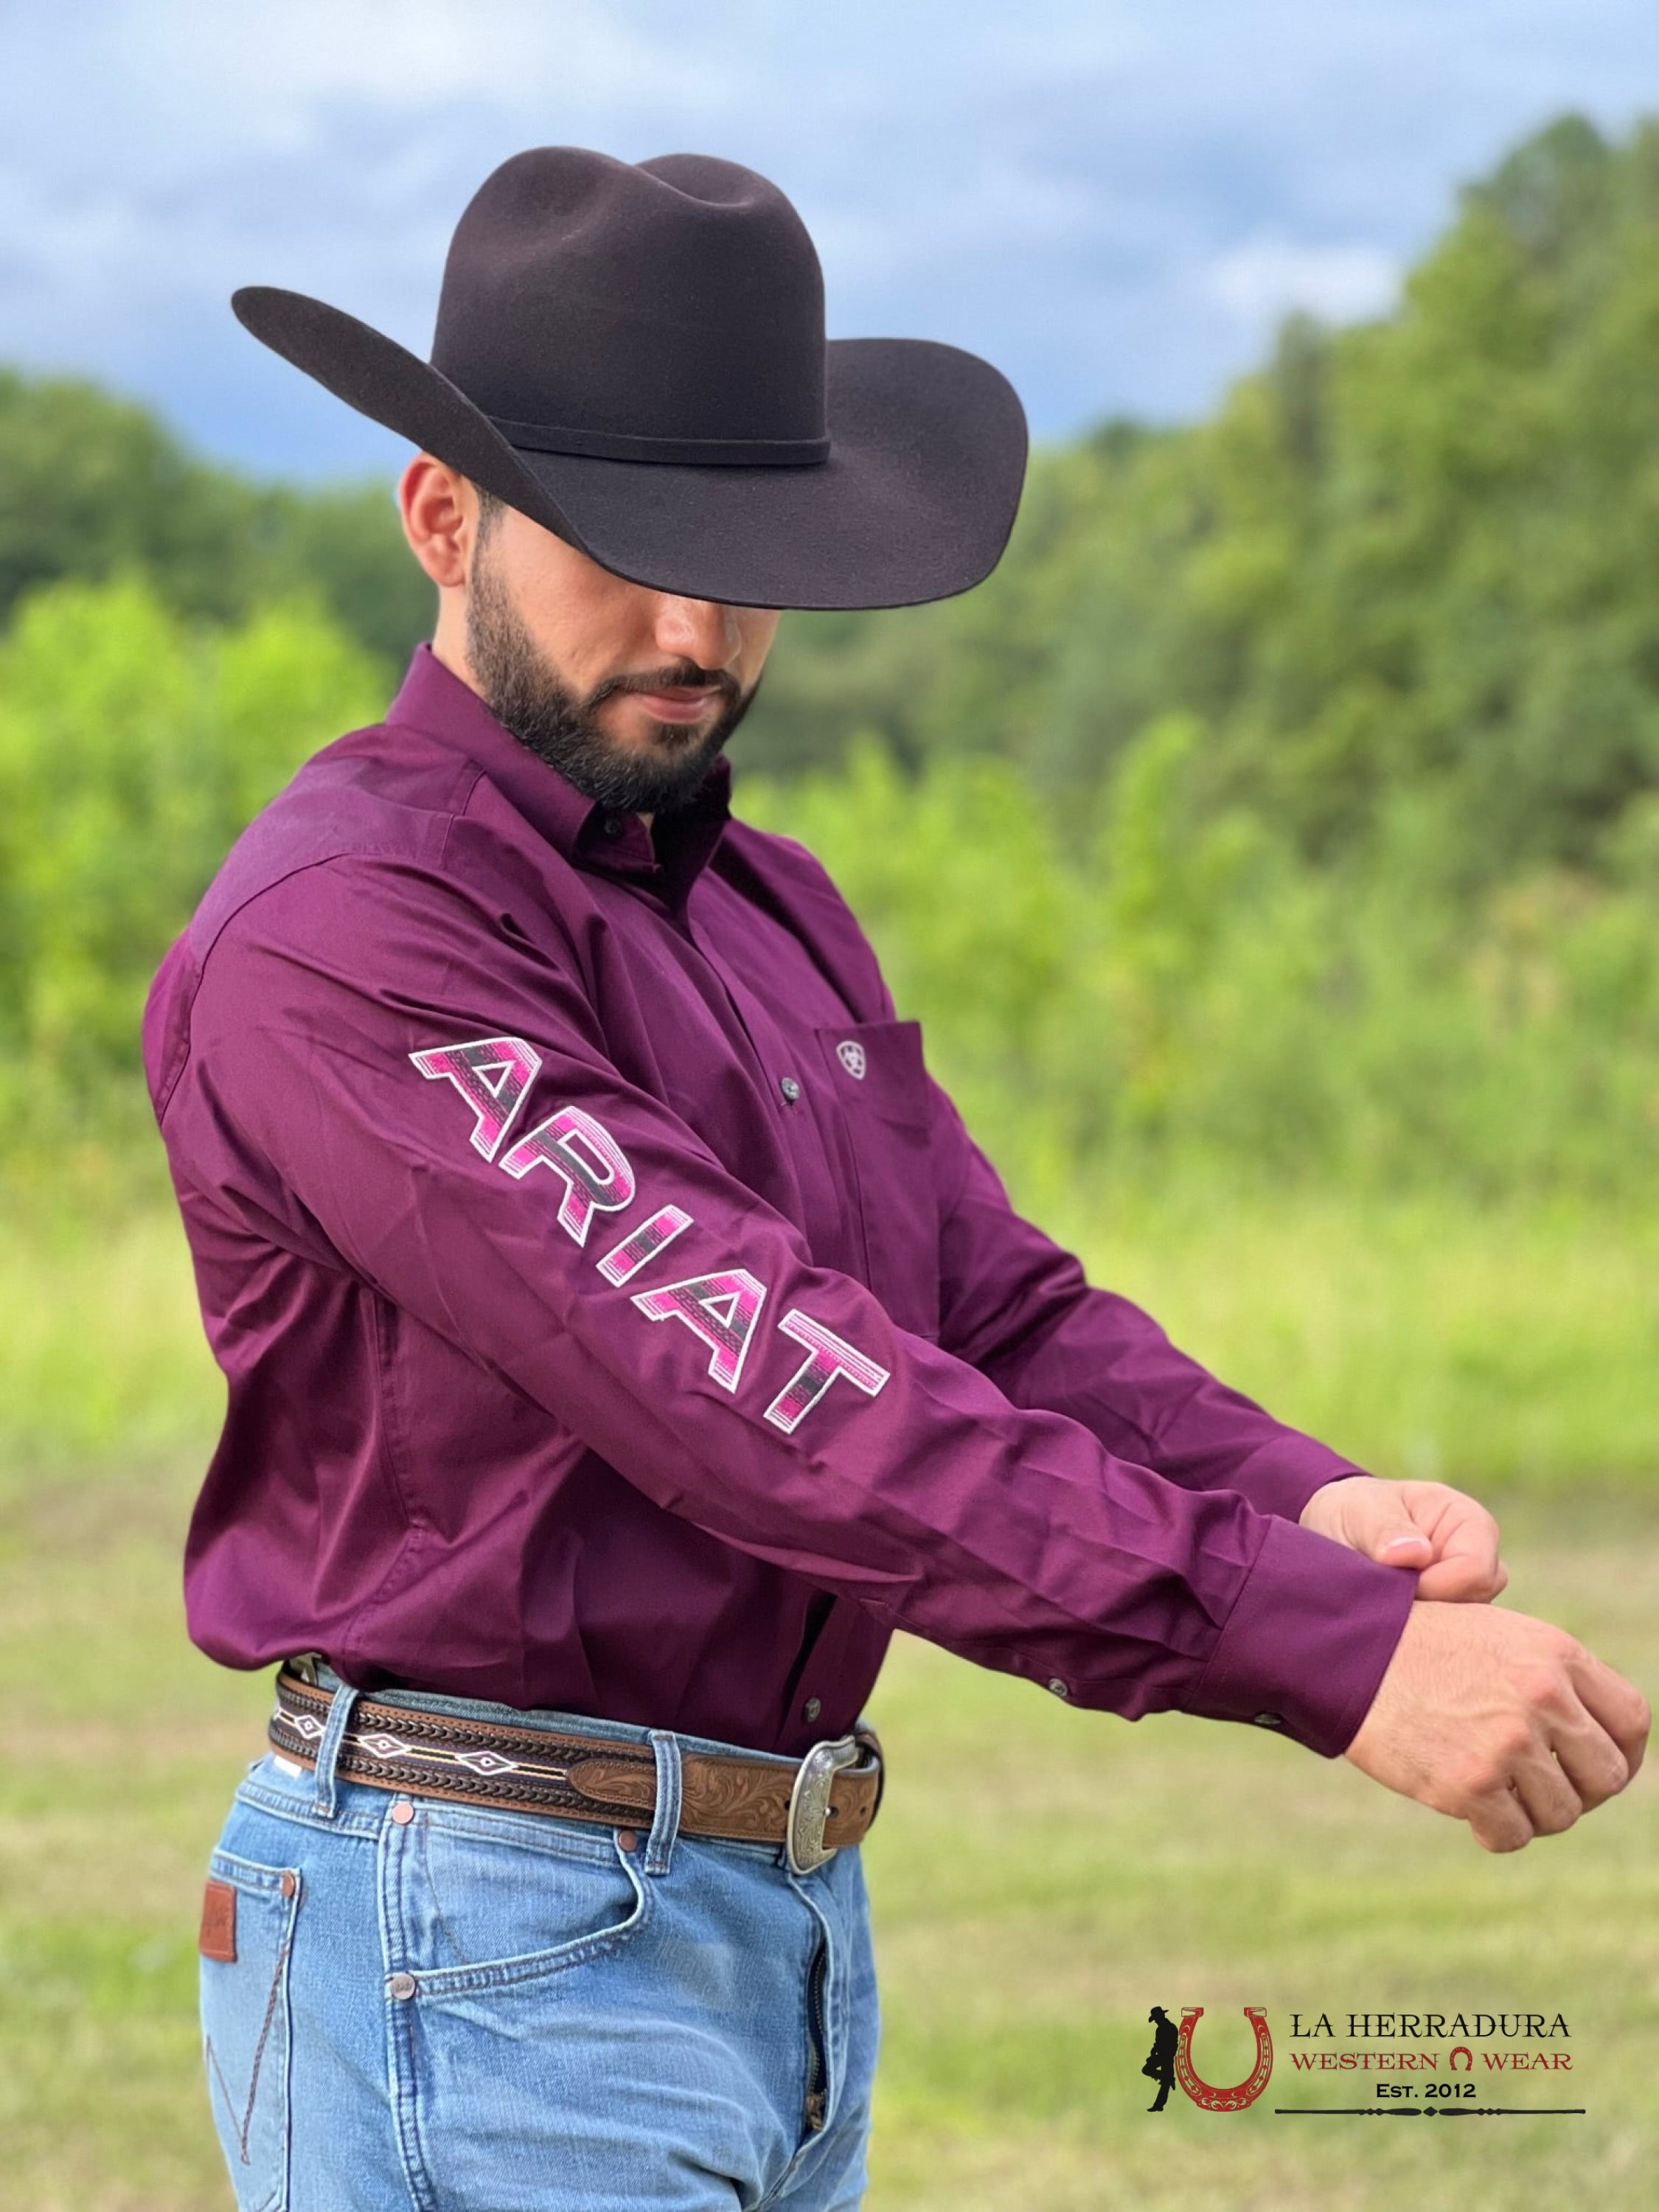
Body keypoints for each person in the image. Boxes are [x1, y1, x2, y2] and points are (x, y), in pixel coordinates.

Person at [143, 147, 1649, 2212]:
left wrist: (1287, 1493)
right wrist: (1317, 1647)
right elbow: (758, 1389)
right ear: (441, 518)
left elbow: (982, 1305)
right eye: (624, 550)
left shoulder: (765, 905)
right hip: (477, 1934)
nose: (696, 629)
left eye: (742, 557)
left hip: (762, 1915)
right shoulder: (348, 937)